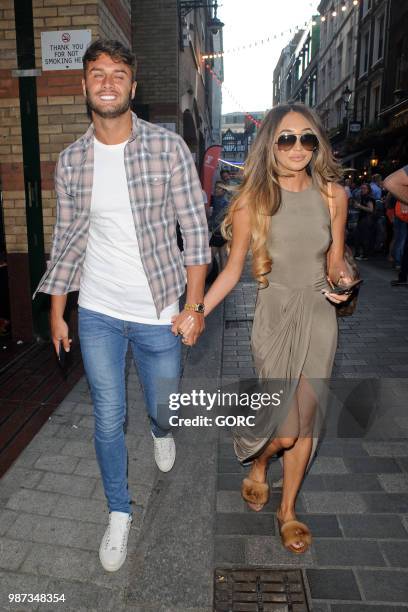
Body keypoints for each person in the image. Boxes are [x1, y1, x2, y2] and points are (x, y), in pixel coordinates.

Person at [33, 39, 211, 572]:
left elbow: (195, 234)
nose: (107, 82)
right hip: (100, 311)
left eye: (117, 74)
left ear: (133, 86)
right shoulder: (71, 161)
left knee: (162, 405)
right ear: (84, 85)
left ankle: (161, 430)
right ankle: (118, 512)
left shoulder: (167, 149)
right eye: (96, 74)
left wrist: (196, 306)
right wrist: (57, 310)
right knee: (108, 416)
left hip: (160, 311)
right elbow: (66, 240)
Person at [174, 103, 352, 554]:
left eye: (307, 138)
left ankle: (288, 510)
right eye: (287, 138)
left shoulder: (334, 195)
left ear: (318, 144)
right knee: (285, 430)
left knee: (303, 423)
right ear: (270, 143)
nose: (298, 148)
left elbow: (336, 263)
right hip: (273, 317)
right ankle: (258, 458)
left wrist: (345, 283)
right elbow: (232, 272)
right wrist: (196, 310)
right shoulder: (253, 200)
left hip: (318, 317)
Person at [384, 166, 408, 286]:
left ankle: (401, 271)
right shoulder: (396, 191)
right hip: (400, 217)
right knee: (400, 240)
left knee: (400, 240)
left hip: (400, 217)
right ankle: (398, 265)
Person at [353, 183, 376, 260]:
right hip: (363, 219)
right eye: (361, 188)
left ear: (368, 189)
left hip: (366, 219)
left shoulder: (368, 198)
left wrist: (360, 206)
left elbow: (371, 209)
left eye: (364, 188)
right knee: (359, 237)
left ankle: (364, 255)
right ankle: (361, 254)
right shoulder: (363, 197)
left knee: (364, 237)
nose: (362, 190)